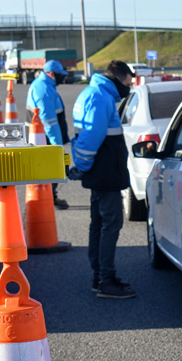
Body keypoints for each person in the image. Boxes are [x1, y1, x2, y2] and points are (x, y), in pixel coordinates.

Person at [68, 60, 136, 299]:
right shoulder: (101, 98)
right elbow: (91, 138)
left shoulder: (94, 93)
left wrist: (83, 167)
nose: (129, 87)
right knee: (111, 225)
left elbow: (83, 137)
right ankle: (105, 280)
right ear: (118, 78)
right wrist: (84, 165)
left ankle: (100, 276)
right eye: (128, 82)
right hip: (104, 174)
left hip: (100, 173)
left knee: (99, 224)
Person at [26, 59, 70, 209]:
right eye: (60, 75)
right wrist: (57, 147)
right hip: (45, 138)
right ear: (52, 74)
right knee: (51, 168)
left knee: (48, 169)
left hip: (43, 137)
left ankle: (50, 196)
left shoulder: (45, 86)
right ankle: (47, 198)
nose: (62, 78)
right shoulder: (44, 89)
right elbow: (49, 122)